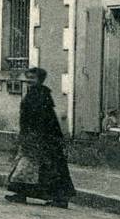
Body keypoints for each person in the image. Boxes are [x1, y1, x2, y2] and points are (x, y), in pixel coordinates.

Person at [5, 67, 76, 208]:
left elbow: (46, 118)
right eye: (28, 77)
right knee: (27, 167)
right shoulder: (33, 93)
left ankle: (59, 198)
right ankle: (21, 194)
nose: (29, 81)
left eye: (33, 78)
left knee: (46, 168)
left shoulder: (41, 95)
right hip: (33, 136)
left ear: (40, 80)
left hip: (42, 137)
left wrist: (40, 136)